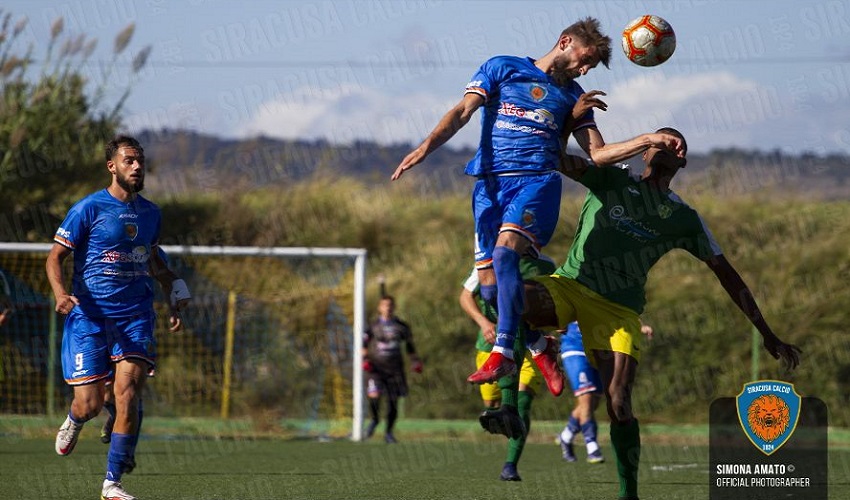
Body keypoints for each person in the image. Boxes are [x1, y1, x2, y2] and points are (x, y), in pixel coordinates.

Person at [391, 17, 686, 392]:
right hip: (489, 185)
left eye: (590, 67)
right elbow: (463, 112)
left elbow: (597, 154)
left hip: (536, 183)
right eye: (585, 60)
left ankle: (504, 352)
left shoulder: (573, 97)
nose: (584, 69)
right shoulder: (502, 67)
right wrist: (425, 147)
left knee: (505, 257)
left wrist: (646, 139)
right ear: (566, 42)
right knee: (488, 290)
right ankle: (537, 343)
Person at [522, 127, 801, 500]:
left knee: (618, 399)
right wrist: (570, 119)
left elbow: (728, 275)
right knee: (513, 294)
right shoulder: (611, 178)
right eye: (661, 139)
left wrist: (767, 332)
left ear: (682, 160)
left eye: (678, 143)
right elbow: (557, 160)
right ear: (644, 151)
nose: (670, 145)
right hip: (571, 285)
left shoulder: (684, 218)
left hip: (617, 310)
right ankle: (534, 357)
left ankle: (629, 493)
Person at [46, 135, 191, 500]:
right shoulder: (88, 209)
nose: (137, 166)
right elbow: (54, 257)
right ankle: (75, 420)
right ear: (112, 166)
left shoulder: (151, 213)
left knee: (127, 394)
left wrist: (173, 287)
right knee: (91, 404)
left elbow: (152, 257)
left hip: (135, 315)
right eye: (129, 161)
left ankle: (112, 484)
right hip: (90, 317)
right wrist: (62, 294)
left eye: (140, 161)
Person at [459, 254, 555, 481]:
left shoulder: (546, 264)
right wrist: (484, 323)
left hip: (532, 346)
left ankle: (510, 466)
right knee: (491, 404)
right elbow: (465, 296)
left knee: (522, 404)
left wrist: (557, 321)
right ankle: (502, 416)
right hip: (492, 344)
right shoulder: (490, 259)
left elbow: (556, 298)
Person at [362, 295, 422, 444]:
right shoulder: (373, 326)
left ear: (394, 307)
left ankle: (388, 433)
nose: (387, 308)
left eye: (390, 305)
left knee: (393, 402)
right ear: (379, 307)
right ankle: (375, 420)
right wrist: (365, 359)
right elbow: (363, 344)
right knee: (374, 396)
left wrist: (415, 361)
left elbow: (409, 346)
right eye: (384, 305)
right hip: (376, 369)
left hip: (395, 369)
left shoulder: (402, 326)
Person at [557, 321, 605, 464]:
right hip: (575, 349)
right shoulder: (570, 298)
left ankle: (566, 436)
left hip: (598, 351)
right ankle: (592, 447)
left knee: (593, 403)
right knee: (586, 398)